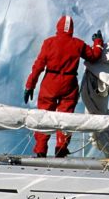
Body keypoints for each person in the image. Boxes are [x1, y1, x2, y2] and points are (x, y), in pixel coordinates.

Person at [24, 15, 104, 157]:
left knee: (44, 117)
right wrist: (98, 42)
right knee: (65, 119)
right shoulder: (78, 44)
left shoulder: (49, 43)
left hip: (50, 83)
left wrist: (30, 85)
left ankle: (40, 150)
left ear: (58, 27)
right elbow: (94, 56)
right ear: (71, 29)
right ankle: (61, 148)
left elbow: (38, 66)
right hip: (69, 84)